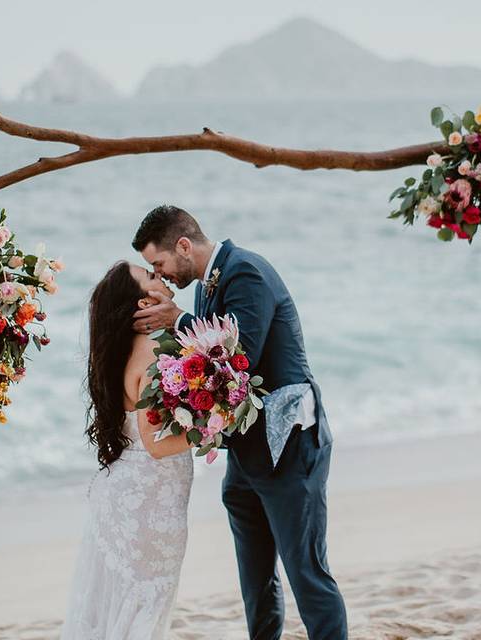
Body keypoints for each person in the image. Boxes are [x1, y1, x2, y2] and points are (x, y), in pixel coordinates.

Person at [132, 204, 347, 640]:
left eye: (159, 263)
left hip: (289, 445)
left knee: (306, 570)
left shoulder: (245, 271)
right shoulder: (206, 285)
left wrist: (178, 320)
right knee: (256, 578)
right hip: (248, 454)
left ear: (184, 245)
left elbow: (237, 356)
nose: (162, 274)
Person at [59, 260, 194, 640]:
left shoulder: (125, 349)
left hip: (132, 497)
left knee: (123, 605)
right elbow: (156, 443)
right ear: (141, 304)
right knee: (146, 604)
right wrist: (218, 429)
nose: (161, 278)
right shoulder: (151, 350)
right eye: (151, 278)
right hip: (148, 502)